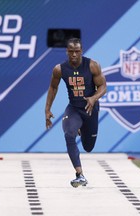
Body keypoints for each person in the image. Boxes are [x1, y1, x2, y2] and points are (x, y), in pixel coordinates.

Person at [45, 38, 107, 187]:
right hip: (74, 108)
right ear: (67, 52)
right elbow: (53, 88)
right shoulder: (59, 69)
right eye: (71, 51)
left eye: (77, 51)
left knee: (88, 147)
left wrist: (93, 98)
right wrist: (47, 109)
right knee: (69, 134)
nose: (74, 55)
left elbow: (103, 86)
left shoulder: (92, 65)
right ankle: (80, 174)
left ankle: (82, 128)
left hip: (90, 109)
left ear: (81, 51)